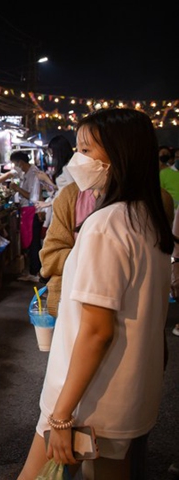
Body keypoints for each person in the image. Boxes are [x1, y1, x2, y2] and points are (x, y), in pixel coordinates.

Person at [18, 108, 175, 480]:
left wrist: (60, 416)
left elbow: (96, 330)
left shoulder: (106, 225)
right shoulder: (147, 217)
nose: (79, 159)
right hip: (126, 395)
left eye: (88, 150)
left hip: (87, 398)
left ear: (120, 156)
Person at [8, 151, 46, 283]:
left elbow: (32, 196)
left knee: (33, 242)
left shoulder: (34, 174)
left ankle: (35, 272)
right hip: (28, 210)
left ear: (20, 162)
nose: (15, 166)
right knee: (31, 242)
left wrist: (17, 188)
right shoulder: (28, 173)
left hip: (32, 211)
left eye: (15, 164)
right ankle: (33, 271)